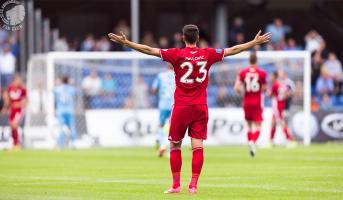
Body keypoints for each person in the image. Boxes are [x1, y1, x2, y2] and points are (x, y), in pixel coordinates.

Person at [108, 24, 271, 194]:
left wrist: (127, 43)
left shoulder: (176, 54)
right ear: (198, 38)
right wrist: (253, 42)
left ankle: (176, 185)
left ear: (183, 38)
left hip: (181, 106)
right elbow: (233, 50)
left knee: (175, 145)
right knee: (198, 146)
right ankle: (193, 185)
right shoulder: (207, 54)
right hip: (200, 106)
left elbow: (150, 50)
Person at [234, 52, 267, 157]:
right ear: (257, 61)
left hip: (247, 101)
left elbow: (237, 88)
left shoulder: (243, 72)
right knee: (258, 125)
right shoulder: (262, 73)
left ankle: (250, 142)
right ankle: (253, 142)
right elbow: (265, 89)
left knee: (249, 125)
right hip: (257, 101)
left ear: (249, 61)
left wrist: (242, 90)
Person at [152, 63, 175, 157]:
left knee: (161, 125)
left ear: (167, 66)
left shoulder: (161, 76)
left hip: (163, 104)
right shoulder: (178, 75)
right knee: (173, 127)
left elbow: (154, 89)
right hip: (175, 104)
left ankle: (162, 144)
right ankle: (171, 150)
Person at [269, 72, 295, 147]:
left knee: (281, 122)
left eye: (271, 76)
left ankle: (290, 140)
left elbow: (271, 95)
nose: (270, 77)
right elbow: (285, 93)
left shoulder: (275, 85)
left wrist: (267, 91)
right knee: (273, 122)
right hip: (280, 104)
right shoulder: (280, 84)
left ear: (274, 77)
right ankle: (271, 140)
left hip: (277, 105)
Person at [3, 75, 27, 150]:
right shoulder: (10, 88)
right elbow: (7, 100)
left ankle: (17, 143)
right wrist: (6, 108)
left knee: (14, 124)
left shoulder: (22, 89)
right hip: (12, 110)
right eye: (18, 80)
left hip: (19, 110)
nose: (19, 82)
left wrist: (19, 104)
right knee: (12, 126)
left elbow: (26, 101)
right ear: (14, 81)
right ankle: (15, 144)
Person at [54, 76, 77, 148]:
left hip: (61, 111)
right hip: (70, 111)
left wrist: (57, 83)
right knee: (72, 128)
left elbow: (54, 92)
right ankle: (73, 143)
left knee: (61, 128)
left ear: (61, 81)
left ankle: (61, 144)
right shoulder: (72, 89)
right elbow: (74, 93)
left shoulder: (57, 89)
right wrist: (72, 83)